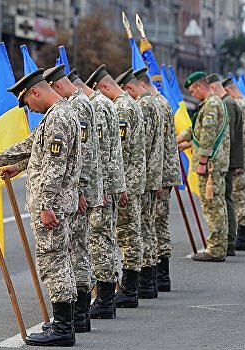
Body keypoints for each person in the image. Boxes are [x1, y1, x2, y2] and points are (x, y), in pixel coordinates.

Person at [0, 69, 81, 347]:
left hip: (52, 205)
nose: (29, 108)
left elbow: (54, 167)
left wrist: (46, 205)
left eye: (27, 102)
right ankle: (64, 321)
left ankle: (64, 328)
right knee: (58, 261)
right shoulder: (58, 115)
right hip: (58, 202)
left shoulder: (58, 119)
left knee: (55, 263)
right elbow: (28, 147)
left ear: (35, 92)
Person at [43, 64, 103, 333]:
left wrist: (80, 191)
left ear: (55, 86)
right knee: (78, 248)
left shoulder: (75, 107)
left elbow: (79, 156)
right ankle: (78, 316)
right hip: (82, 187)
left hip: (76, 190)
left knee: (74, 250)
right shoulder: (82, 103)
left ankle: (75, 316)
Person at [68, 68, 127, 319]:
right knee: (104, 239)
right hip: (105, 183)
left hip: (99, 185)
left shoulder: (97, 106)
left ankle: (104, 299)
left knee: (99, 240)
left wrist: (98, 188)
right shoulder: (102, 103)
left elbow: (98, 151)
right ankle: (106, 296)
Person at [86, 64, 146, 308]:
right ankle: (134, 287)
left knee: (124, 234)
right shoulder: (131, 103)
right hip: (131, 178)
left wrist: (115, 184)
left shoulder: (121, 107)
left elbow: (114, 149)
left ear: (103, 87)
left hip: (125, 181)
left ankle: (129, 290)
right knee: (128, 232)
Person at [115, 68, 163, 299]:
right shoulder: (153, 103)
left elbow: (131, 147)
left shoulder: (141, 106)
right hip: (148, 175)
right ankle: (150, 282)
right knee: (145, 227)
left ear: (129, 88)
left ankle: (140, 284)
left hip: (135, 178)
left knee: (133, 231)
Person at [134, 67, 182, 292]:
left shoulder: (147, 106)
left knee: (150, 224)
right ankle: (161, 278)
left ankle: (154, 278)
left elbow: (146, 146)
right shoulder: (162, 102)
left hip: (156, 174)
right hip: (164, 172)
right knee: (159, 224)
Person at [177, 71, 230, 262]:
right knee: (216, 205)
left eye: (192, 91)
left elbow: (207, 136)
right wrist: (181, 140)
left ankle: (216, 249)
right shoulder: (212, 103)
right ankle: (219, 245)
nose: (192, 95)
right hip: (214, 163)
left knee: (212, 206)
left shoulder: (211, 105)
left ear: (200, 87)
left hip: (211, 166)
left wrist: (202, 162)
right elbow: (196, 130)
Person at [206, 73, 244, 256]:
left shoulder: (226, 104)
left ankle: (228, 240)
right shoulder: (229, 102)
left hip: (226, 159)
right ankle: (229, 239)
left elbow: (226, 137)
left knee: (224, 200)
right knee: (227, 199)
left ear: (213, 88)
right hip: (230, 159)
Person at [222, 77, 245, 250]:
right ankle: (243, 236)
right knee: (244, 196)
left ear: (227, 91)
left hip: (239, 159)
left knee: (240, 198)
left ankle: (242, 237)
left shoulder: (239, 105)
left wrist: (235, 161)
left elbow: (237, 136)